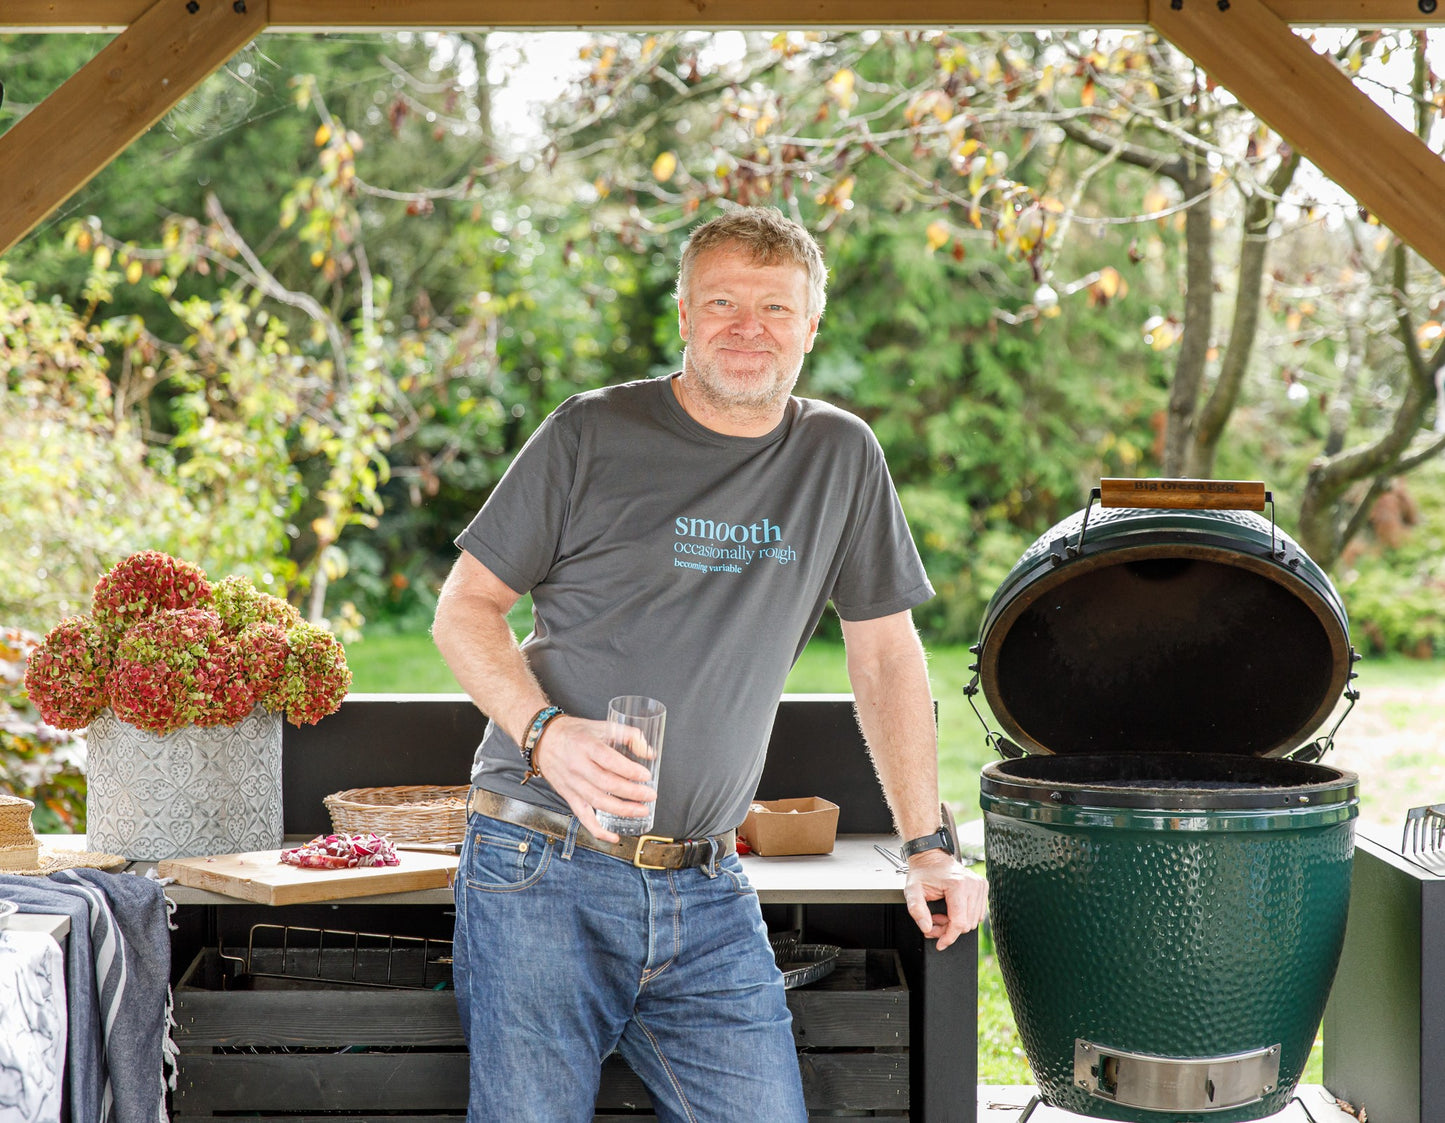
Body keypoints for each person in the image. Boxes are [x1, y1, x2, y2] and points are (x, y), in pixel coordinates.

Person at [431, 206, 988, 1123]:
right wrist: (544, 734)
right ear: (684, 314)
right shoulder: (590, 433)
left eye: (775, 307)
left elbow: (885, 655)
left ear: (811, 326)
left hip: (707, 884)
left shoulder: (839, 456)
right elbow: (465, 606)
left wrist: (927, 846)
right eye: (722, 301)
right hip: (542, 862)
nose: (747, 327)